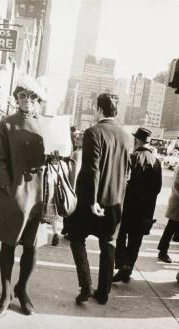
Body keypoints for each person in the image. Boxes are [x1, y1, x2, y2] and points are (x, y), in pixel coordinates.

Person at [0, 77, 50, 317]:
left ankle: (22, 290)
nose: (28, 101)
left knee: (32, 247)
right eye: (23, 95)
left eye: (33, 97)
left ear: (38, 101)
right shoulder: (6, 124)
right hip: (13, 193)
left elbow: (60, 158)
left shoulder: (47, 125)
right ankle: (6, 293)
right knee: (8, 244)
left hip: (39, 195)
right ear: (16, 99)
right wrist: (6, 187)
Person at [67, 93, 132, 306]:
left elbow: (92, 169)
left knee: (76, 237)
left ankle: (85, 285)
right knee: (108, 245)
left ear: (98, 109)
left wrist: (93, 200)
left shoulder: (93, 132)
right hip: (115, 202)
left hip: (91, 201)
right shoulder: (127, 136)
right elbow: (126, 172)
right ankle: (103, 293)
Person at [113, 128, 162, 283]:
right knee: (136, 240)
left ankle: (121, 263)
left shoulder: (132, 157)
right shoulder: (156, 162)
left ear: (136, 141)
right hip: (145, 210)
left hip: (128, 206)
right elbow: (158, 188)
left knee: (121, 235)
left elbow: (122, 182)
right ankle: (128, 267)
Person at [161, 165, 179, 263]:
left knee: (170, 229)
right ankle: (162, 252)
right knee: (170, 229)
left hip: (176, 202)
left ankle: (162, 251)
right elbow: (177, 184)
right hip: (177, 203)